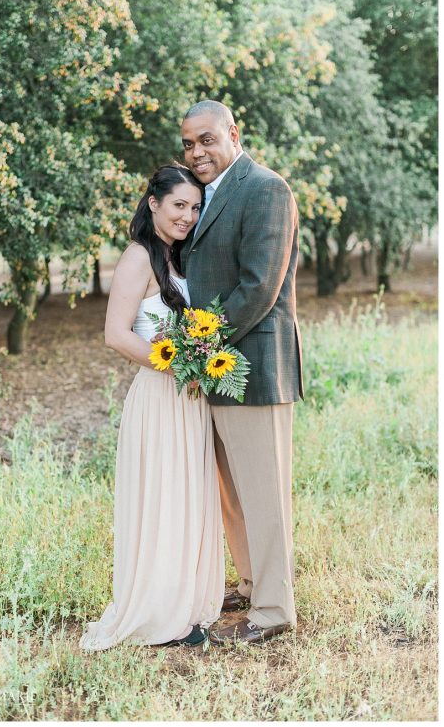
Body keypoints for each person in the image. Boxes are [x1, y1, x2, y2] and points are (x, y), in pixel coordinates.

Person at [78, 164, 225, 651]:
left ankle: (183, 607)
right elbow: (114, 334)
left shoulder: (177, 258)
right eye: (178, 205)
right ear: (154, 203)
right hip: (160, 397)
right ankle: (157, 615)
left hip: (189, 401)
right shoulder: (139, 257)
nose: (187, 215)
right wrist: (178, 363)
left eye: (195, 207)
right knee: (162, 502)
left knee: (187, 501)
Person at [180, 100, 304, 646]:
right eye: (188, 143)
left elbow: (259, 287)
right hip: (215, 368)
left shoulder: (265, 188)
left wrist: (197, 343)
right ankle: (252, 583)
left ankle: (275, 610)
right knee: (230, 490)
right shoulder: (203, 195)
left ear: (233, 133)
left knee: (264, 491)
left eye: (206, 139)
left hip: (254, 364)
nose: (196, 152)